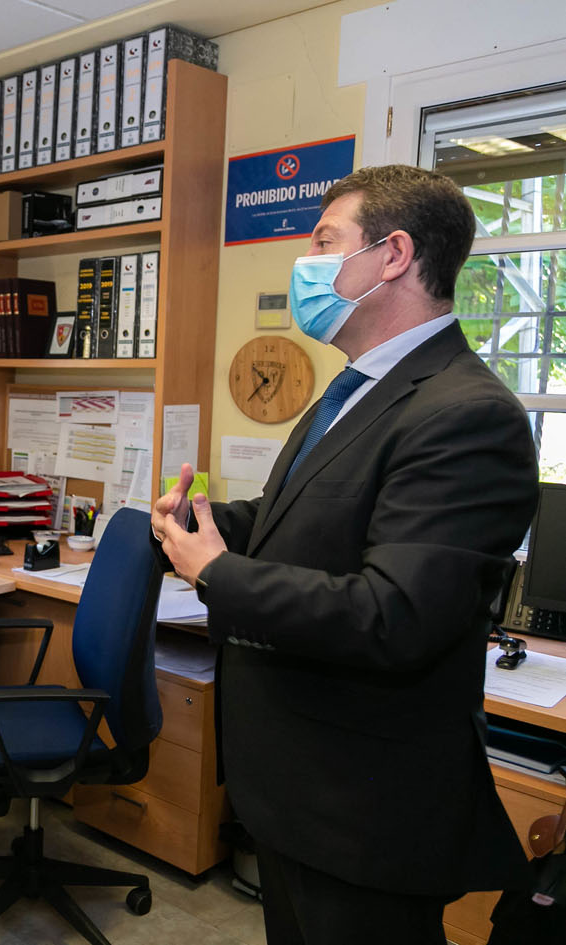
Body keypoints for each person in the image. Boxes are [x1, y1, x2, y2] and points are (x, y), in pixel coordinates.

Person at [154, 164, 538, 945]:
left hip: (364, 808)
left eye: (325, 243)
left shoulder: (465, 413)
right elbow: (305, 512)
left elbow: (391, 613)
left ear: (392, 255)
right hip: (293, 790)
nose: (307, 267)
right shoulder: (355, 386)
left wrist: (217, 572)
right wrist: (199, 520)